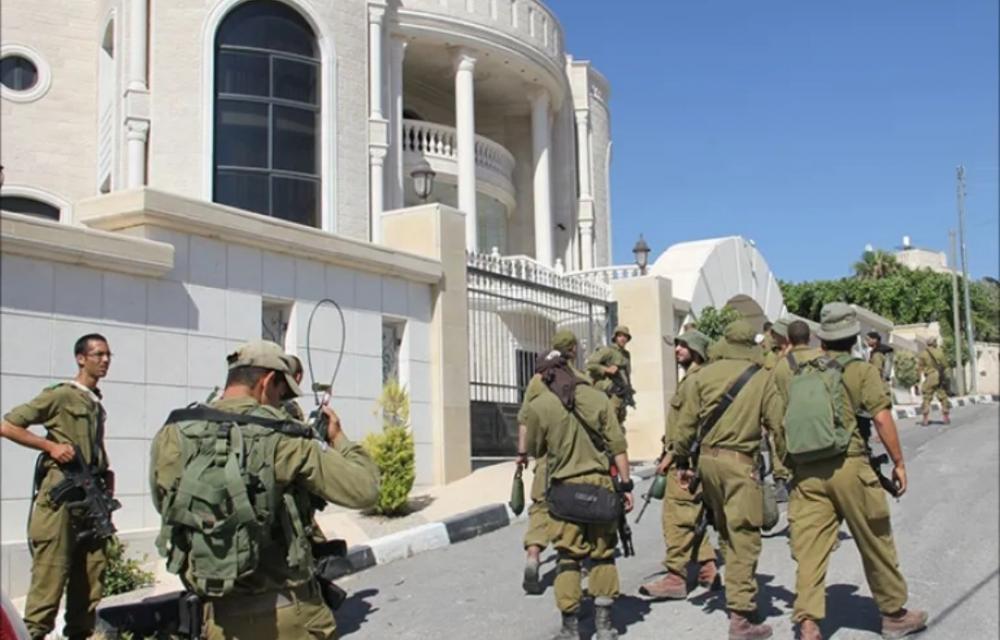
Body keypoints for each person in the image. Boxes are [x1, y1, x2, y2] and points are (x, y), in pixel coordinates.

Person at [150, 340, 380, 639]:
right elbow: (365, 489)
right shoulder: (283, 437)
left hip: (216, 619)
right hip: (289, 617)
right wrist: (338, 438)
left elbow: (166, 505)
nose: (279, 403)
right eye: (281, 393)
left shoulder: (173, 432)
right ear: (267, 381)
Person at [765, 303, 928, 640]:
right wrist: (899, 463)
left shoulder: (797, 371)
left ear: (822, 337)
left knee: (810, 549)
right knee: (875, 539)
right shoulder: (861, 370)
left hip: (807, 473)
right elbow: (881, 418)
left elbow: (779, 425)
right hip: (850, 467)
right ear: (853, 337)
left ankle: (808, 622)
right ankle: (893, 614)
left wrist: (790, 467)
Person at [1, 334, 115, 640]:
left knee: (90, 577)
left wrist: (106, 475)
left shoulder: (93, 401)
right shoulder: (62, 395)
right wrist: (50, 447)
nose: (105, 360)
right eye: (98, 354)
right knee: (49, 579)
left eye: (108, 355)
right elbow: (8, 425)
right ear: (81, 358)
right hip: (61, 499)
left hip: (90, 497)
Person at [520, 344, 634, 640]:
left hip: (564, 492)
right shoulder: (598, 398)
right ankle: (605, 626)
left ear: (544, 375)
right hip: (600, 488)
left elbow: (536, 449)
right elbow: (618, 446)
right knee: (603, 555)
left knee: (568, 558)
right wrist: (626, 485)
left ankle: (570, 628)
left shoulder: (540, 405)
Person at [669, 320, 774, 640]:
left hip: (707, 464)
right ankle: (741, 618)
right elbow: (777, 425)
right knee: (745, 537)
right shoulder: (762, 376)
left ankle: (738, 592)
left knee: (726, 531)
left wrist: (683, 461)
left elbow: (684, 427)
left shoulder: (702, 375)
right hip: (740, 464)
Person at [640, 330, 719, 600]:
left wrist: (672, 457)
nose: (677, 350)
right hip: (692, 458)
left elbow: (688, 428)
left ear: (696, 350)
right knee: (691, 514)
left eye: (683, 346)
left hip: (685, 460)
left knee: (676, 518)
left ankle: (676, 577)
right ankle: (707, 568)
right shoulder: (697, 379)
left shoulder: (694, 381)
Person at [519, 330, 589, 595]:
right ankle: (570, 561)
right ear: (573, 350)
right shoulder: (581, 379)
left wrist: (522, 454)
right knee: (571, 510)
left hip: (546, 459)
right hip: (575, 457)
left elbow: (525, 419)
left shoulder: (537, 381)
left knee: (540, 507)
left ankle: (533, 555)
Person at [586, 326, 634, 425]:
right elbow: (590, 364)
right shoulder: (607, 351)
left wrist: (629, 390)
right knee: (611, 421)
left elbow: (627, 373)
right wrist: (606, 369)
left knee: (620, 419)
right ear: (615, 337)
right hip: (611, 392)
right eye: (620, 336)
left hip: (622, 392)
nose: (622, 338)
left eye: (625, 336)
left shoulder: (626, 354)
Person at [917, 337, 950, 426]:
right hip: (939, 376)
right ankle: (946, 416)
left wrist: (919, 379)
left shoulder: (923, 354)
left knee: (927, 397)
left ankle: (925, 418)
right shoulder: (940, 352)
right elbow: (945, 365)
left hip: (930, 377)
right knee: (943, 397)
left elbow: (920, 367)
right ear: (934, 343)